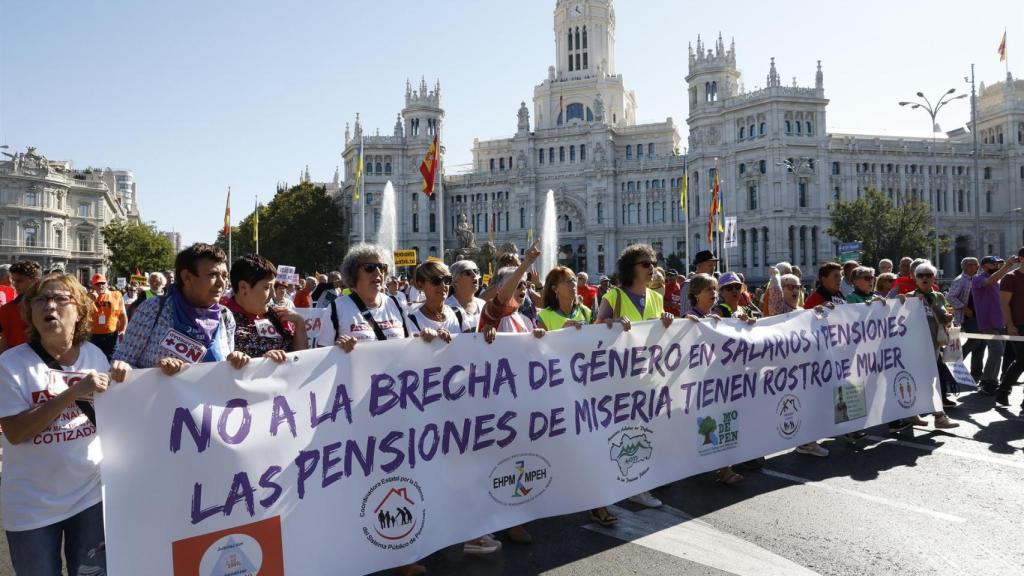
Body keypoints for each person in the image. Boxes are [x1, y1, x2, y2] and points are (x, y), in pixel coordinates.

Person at [0, 273, 131, 575]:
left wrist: (127, 378)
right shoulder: (11, 364)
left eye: (61, 299)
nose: (50, 306)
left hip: (89, 498)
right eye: (41, 300)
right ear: (30, 313)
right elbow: (16, 433)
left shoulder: (95, 356)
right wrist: (71, 393)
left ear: (80, 310)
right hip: (31, 506)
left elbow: (114, 418)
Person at [329, 248, 446, 573]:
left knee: (396, 481)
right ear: (354, 275)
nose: (378, 273)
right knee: (361, 485)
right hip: (357, 414)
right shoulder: (338, 308)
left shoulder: (395, 305)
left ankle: (399, 552)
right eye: (371, 268)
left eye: (381, 267)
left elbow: (408, 347)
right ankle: (358, 548)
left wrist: (424, 339)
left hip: (396, 410)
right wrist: (335, 348)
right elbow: (315, 358)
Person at [596, 244, 674, 506]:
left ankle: (639, 478)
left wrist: (666, 320)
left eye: (653, 263)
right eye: (646, 264)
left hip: (649, 375)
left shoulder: (656, 297)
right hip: (621, 378)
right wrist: (613, 325)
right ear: (631, 268)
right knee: (628, 431)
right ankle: (634, 484)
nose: (652, 268)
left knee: (646, 429)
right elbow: (596, 331)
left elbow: (659, 334)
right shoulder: (615, 297)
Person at [114, 243, 249, 375]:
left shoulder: (225, 315)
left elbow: (226, 371)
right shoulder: (153, 309)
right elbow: (120, 364)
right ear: (187, 277)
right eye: (212, 275)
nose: (221, 283)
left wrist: (235, 362)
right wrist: (155, 372)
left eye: (225, 276)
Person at [906, 262, 960, 428]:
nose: (924, 278)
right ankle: (937, 416)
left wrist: (948, 317)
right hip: (915, 346)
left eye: (928, 275)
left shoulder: (939, 296)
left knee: (930, 380)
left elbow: (950, 313)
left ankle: (930, 415)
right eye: (920, 275)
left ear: (934, 278)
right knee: (921, 380)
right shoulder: (908, 297)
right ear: (915, 279)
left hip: (934, 345)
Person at [225, 254, 308, 360]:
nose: (273, 294)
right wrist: (263, 362)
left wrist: (299, 323)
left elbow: (301, 358)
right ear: (243, 287)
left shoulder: (277, 315)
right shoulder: (221, 319)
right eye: (267, 287)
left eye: (273, 287)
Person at [972, 255, 1018, 394]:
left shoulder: (999, 281)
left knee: (998, 352)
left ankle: (992, 380)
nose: (997, 266)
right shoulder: (978, 279)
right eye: (994, 264)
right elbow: (990, 281)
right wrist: (1007, 266)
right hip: (988, 321)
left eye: (999, 264)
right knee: (996, 350)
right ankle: (986, 380)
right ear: (985, 265)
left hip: (1000, 321)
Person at [947, 257, 984, 381]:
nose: (975, 267)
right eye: (972, 265)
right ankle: (954, 365)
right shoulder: (960, 280)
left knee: (981, 345)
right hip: (968, 317)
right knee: (975, 342)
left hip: (980, 316)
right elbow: (951, 297)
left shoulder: (979, 279)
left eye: (976, 265)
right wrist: (964, 308)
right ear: (964, 267)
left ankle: (977, 373)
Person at [996, 248, 1024, 406]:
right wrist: (1010, 325)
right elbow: (1004, 303)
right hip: (1018, 324)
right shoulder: (1010, 277)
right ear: (1021, 258)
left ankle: (1003, 392)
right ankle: (1003, 391)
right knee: (1022, 361)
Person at [87, 273, 127, 361]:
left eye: (102, 283)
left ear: (107, 284)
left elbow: (123, 314)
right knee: (94, 360)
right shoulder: (87, 297)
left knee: (111, 359)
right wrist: (90, 301)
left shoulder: (116, 295)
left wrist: (123, 330)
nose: (100, 285)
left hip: (111, 334)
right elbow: (82, 314)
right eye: (97, 284)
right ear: (93, 285)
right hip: (94, 335)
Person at [446, 260, 485, 332]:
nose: (474, 275)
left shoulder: (483, 304)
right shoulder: (446, 307)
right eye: (468, 273)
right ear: (455, 281)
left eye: (476, 272)